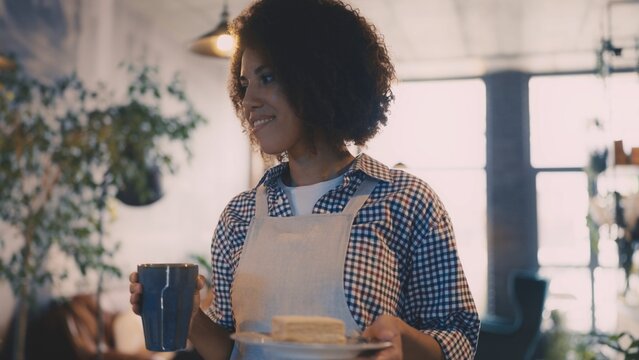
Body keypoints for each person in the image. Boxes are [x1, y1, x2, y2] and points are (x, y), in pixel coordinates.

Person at [129, 0, 480, 358]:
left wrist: (403, 342)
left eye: (267, 78)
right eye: (245, 83)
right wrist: (190, 318)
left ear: (321, 78)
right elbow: (234, 352)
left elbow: (461, 340)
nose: (248, 100)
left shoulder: (404, 200)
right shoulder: (239, 216)